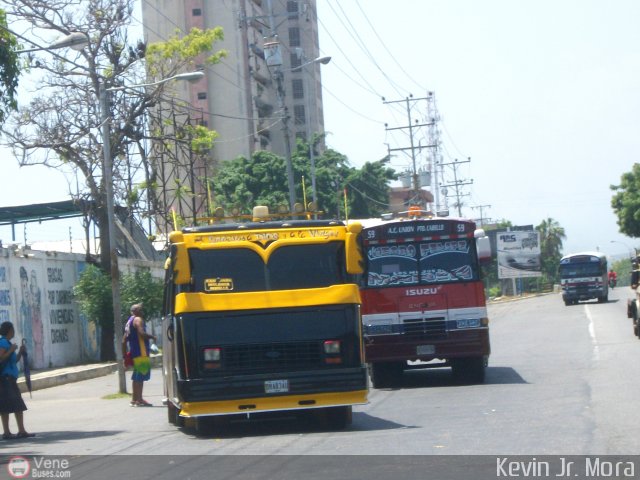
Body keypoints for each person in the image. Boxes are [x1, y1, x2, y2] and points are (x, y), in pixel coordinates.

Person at [0, 321, 35, 440]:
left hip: (9, 379)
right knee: (16, 405)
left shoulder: (7, 343)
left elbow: (12, 361)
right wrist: (11, 349)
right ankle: (17, 431)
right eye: (13, 329)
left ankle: (11, 431)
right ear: (9, 330)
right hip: (6, 379)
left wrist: (19, 351)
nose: (14, 331)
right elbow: (1, 358)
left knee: (7, 405)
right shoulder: (4, 343)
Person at [123, 304, 156, 407]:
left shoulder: (129, 322)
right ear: (136, 311)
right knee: (140, 377)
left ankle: (134, 399)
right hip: (141, 352)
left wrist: (125, 356)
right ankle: (139, 400)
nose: (142, 311)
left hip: (134, 352)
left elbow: (123, 341)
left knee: (137, 376)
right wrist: (152, 337)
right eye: (141, 309)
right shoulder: (138, 320)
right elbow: (141, 333)